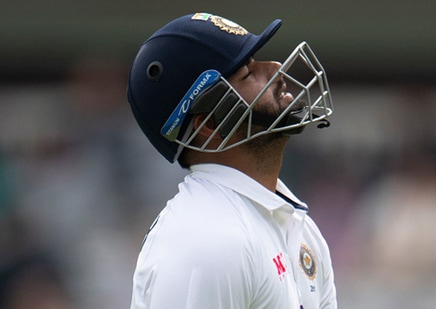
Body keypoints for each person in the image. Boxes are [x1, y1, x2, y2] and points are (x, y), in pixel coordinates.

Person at [126, 12, 337, 309]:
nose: (275, 68)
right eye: (248, 72)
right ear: (209, 124)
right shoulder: (207, 240)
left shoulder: (297, 227)